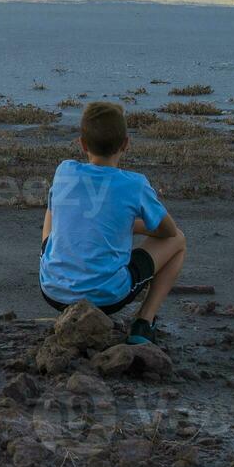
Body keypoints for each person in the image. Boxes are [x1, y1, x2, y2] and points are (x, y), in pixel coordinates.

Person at [38, 101, 187, 346]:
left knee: (55, 205)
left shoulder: (65, 170)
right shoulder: (134, 184)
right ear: (126, 144)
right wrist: (127, 224)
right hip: (106, 296)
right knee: (179, 240)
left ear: (82, 144)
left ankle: (59, 265)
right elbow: (168, 231)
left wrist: (118, 223)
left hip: (53, 290)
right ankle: (144, 321)